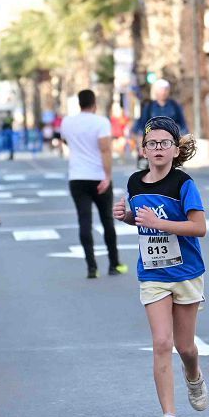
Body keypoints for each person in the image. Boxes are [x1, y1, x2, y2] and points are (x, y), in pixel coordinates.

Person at [112, 116, 208, 417]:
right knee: (162, 343)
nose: (157, 149)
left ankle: (193, 375)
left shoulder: (183, 184)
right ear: (143, 150)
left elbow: (199, 228)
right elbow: (141, 222)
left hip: (186, 272)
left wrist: (160, 222)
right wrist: (127, 217)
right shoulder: (135, 183)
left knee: (185, 347)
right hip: (152, 273)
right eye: (152, 144)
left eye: (164, 143)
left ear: (174, 149)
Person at [61, 89, 127, 279]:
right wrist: (107, 176)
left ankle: (91, 267)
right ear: (94, 103)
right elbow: (105, 149)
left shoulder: (67, 122)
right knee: (107, 220)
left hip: (77, 177)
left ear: (79, 103)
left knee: (84, 221)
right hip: (98, 176)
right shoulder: (101, 122)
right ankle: (114, 263)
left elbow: (65, 141)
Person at [131, 79, 189, 155]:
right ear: (156, 92)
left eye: (165, 90)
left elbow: (183, 124)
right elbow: (142, 126)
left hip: (171, 141)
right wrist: (141, 143)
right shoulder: (149, 107)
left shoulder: (175, 106)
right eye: (161, 90)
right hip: (154, 142)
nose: (163, 92)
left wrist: (182, 140)